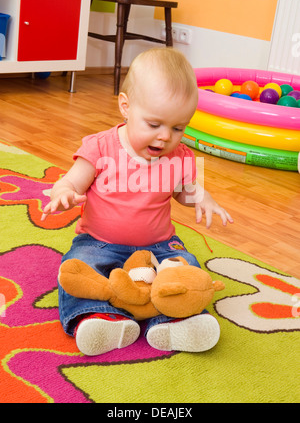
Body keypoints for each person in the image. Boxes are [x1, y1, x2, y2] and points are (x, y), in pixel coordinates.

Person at [42, 48, 233, 356]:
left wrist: (202, 197)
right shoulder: (100, 146)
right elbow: (72, 181)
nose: (165, 137)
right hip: (99, 243)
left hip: (159, 244)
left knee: (186, 267)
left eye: (177, 128)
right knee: (77, 270)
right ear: (126, 107)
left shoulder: (181, 157)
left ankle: (175, 321)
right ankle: (97, 317)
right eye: (154, 124)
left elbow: (185, 191)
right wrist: (62, 193)